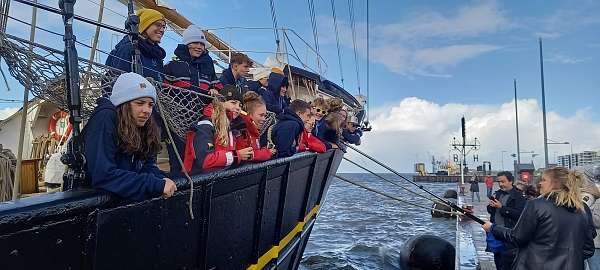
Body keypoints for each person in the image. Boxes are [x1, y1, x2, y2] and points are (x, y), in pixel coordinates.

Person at [83, 72, 176, 201]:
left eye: (150, 105)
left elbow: (147, 164)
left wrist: (159, 179)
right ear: (124, 104)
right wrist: (154, 184)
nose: (147, 110)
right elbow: (103, 175)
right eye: (140, 103)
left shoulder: (143, 125)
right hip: (94, 204)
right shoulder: (105, 119)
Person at [483, 167, 596, 270]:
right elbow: (588, 248)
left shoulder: (537, 205)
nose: (539, 183)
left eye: (544, 180)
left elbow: (517, 237)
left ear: (555, 183)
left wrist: (493, 228)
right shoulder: (583, 208)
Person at [164, 25, 223, 104]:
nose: (199, 47)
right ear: (186, 45)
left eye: (202, 44)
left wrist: (215, 89)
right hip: (176, 112)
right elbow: (164, 89)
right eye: (195, 43)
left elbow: (216, 85)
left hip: (203, 113)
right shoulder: (172, 65)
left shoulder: (207, 66)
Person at [106, 9, 166, 81]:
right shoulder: (128, 48)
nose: (162, 30)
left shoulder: (157, 54)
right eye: (158, 25)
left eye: (163, 27)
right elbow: (116, 81)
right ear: (144, 25)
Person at [486, 171, 526, 270]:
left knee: (507, 263)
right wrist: (491, 206)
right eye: (499, 182)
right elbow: (491, 212)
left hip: (509, 234)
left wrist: (501, 207)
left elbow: (520, 215)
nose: (500, 184)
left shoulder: (518, 196)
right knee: (498, 261)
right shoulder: (498, 194)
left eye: (503, 182)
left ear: (511, 181)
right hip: (496, 233)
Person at [234, 91, 275, 162]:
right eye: (261, 115)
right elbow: (246, 155)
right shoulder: (241, 130)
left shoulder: (253, 131)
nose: (264, 119)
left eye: (265, 116)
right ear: (249, 114)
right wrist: (267, 152)